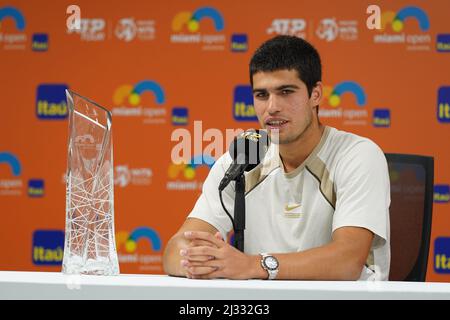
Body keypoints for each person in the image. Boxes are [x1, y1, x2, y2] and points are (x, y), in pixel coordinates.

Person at [163, 35, 390, 281]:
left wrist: (254, 265)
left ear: (316, 94)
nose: (272, 107)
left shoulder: (358, 155)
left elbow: (347, 262)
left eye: (285, 92)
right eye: (261, 95)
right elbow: (175, 250)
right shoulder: (241, 160)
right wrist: (200, 263)